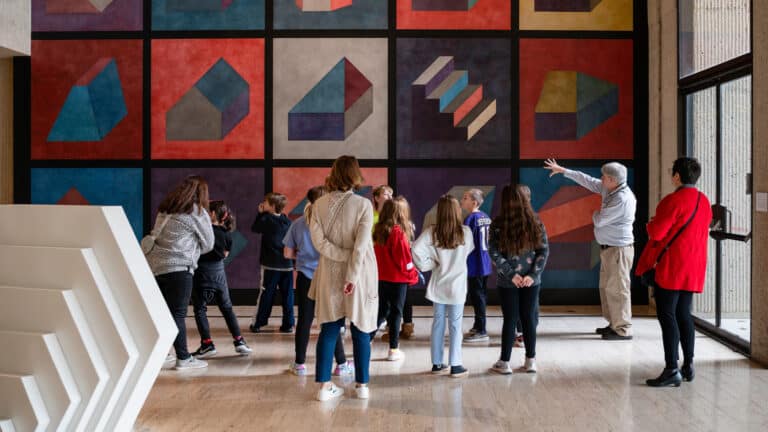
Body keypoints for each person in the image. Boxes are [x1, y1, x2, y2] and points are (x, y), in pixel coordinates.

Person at [636, 157, 712, 387]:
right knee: (684, 314)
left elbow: (657, 233)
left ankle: (671, 368)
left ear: (677, 176)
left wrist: (650, 224)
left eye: (672, 172)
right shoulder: (704, 200)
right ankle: (688, 365)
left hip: (671, 266)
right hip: (693, 266)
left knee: (667, 315)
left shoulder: (673, 200)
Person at [309, 155, 379, 401]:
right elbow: (360, 247)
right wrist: (351, 273)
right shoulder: (363, 205)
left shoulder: (317, 205)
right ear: (355, 174)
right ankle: (362, 386)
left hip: (329, 272)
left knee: (328, 328)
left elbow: (319, 244)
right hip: (359, 274)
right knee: (362, 327)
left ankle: (324, 387)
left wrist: (339, 256)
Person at [544, 159, 637, 340]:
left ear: (612, 180)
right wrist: (562, 170)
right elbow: (586, 180)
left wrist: (594, 213)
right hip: (609, 249)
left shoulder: (622, 198)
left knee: (619, 289)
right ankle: (614, 324)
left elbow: (600, 220)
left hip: (619, 250)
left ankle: (623, 329)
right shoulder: (610, 189)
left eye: (603, 176)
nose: (600, 179)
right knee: (607, 288)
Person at [144, 175, 214, 370]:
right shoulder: (196, 211)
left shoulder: (165, 209)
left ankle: (162, 353)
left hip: (156, 267)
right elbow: (209, 244)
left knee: (164, 313)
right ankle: (183, 357)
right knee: (178, 314)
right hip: (179, 268)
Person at [284, 186, 354, 377]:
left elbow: (287, 252)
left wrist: (303, 256)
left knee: (304, 321)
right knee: (331, 320)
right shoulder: (333, 223)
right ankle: (341, 364)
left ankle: (299, 364)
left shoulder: (298, 223)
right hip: (328, 276)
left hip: (306, 277)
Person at [488, 184, 549, 374]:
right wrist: (532, 275)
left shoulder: (497, 224)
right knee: (529, 319)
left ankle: (504, 362)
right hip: (532, 281)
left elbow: (494, 253)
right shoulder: (536, 221)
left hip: (508, 281)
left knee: (510, 319)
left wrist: (511, 274)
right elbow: (543, 250)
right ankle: (530, 360)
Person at [412, 195, 474, 379]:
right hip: (457, 287)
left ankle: (437, 364)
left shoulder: (432, 233)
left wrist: (430, 264)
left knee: (438, 323)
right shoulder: (466, 232)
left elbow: (415, 249)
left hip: (438, 285)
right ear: (457, 211)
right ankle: (456, 365)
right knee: (455, 325)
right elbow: (467, 252)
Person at [191, 200, 252, 358]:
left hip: (201, 274)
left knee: (200, 309)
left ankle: (207, 344)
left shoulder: (202, 233)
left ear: (211, 214)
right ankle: (239, 341)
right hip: (219, 275)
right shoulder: (227, 234)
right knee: (227, 308)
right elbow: (225, 255)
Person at [373, 196, 419, 362]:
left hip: (382, 277)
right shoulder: (398, 233)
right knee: (396, 313)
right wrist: (413, 274)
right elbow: (404, 261)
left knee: (381, 312)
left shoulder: (379, 231)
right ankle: (393, 349)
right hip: (398, 280)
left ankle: (366, 339)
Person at [250, 193, 295, 333]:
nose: (263, 203)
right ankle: (288, 324)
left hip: (270, 265)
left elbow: (255, 228)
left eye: (266, 202)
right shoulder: (287, 221)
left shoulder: (266, 219)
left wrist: (260, 213)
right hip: (287, 265)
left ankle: (258, 323)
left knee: (266, 294)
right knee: (288, 296)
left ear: (273, 206)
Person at [461, 188, 493, 343]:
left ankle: (481, 329)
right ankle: (477, 325)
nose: (462, 200)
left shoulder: (470, 219)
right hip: (485, 263)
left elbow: (464, 243)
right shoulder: (485, 217)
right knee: (480, 294)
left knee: (477, 296)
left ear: (474, 202)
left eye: (465, 198)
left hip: (474, 263)